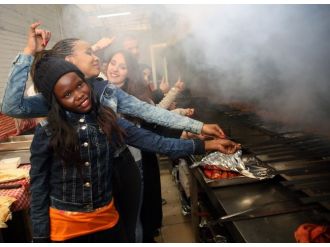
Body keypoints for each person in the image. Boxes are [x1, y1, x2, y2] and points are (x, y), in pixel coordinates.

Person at [29, 56, 239, 243]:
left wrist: (205, 144)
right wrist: (40, 237)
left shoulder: (107, 120)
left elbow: (156, 142)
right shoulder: (47, 132)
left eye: (80, 85)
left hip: (107, 223)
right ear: (55, 101)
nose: (79, 94)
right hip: (65, 230)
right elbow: (38, 187)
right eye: (67, 94)